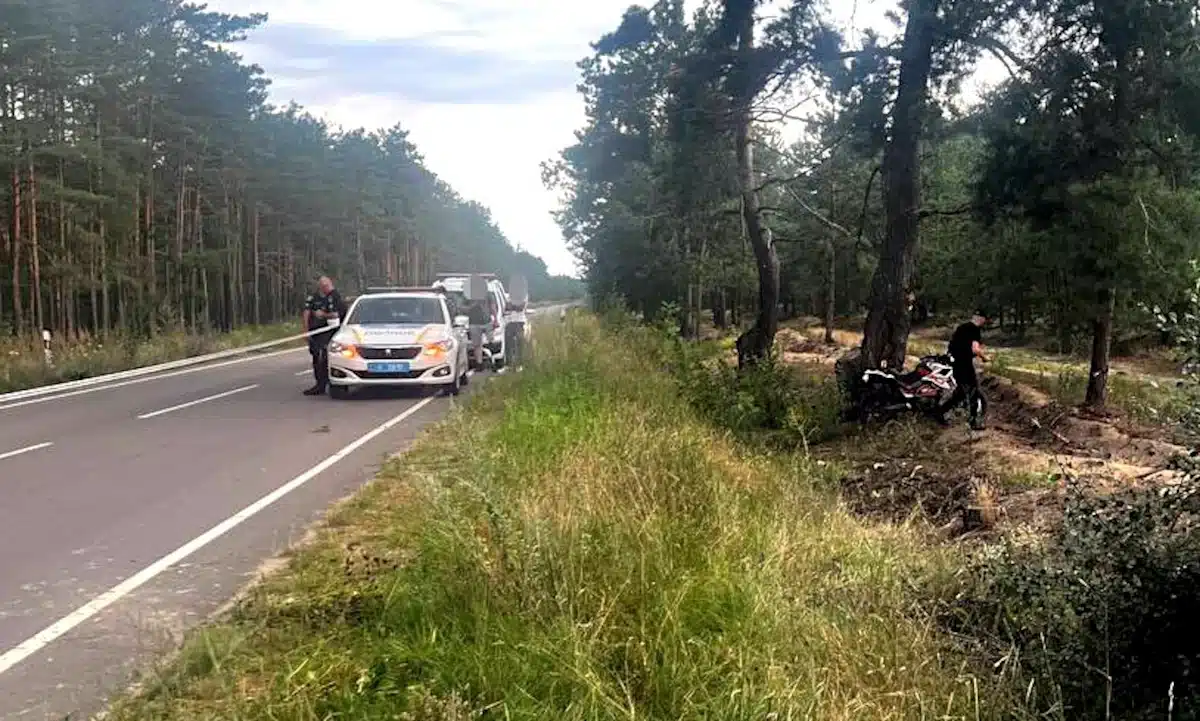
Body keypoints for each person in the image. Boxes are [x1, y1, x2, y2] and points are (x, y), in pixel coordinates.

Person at [935, 309, 991, 430]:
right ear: (982, 319)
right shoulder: (974, 330)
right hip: (965, 363)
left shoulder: (961, 328)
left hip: (955, 363)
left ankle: (940, 412)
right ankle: (974, 422)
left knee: (961, 392)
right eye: (984, 321)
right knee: (973, 391)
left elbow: (952, 345)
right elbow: (975, 349)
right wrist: (985, 358)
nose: (983, 323)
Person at [301, 275, 348, 396]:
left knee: (328, 358)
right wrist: (306, 330)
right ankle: (319, 384)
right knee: (316, 358)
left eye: (327, 286)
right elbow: (306, 312)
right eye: (322, 286)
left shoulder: (336, 296)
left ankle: (332, 382)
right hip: (316, 332)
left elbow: (338, 314)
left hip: (331, 333)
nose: (325, 288)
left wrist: (323, 314)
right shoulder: (313, 297)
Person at [465, 296, 491, 369]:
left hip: (487, 322)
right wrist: (473, 306)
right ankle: (479, 364)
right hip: (474, 323)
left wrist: (495, 319)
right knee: (477, 345)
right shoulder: (468, 296)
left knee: (491, 341)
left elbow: (493, 306)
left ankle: (492, 361)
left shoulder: (487, 293)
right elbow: (463, 308)